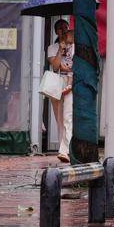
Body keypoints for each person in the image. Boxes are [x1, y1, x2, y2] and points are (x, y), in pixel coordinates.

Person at [42, 18, 72, 162]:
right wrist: (60, 49)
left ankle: (65, 150)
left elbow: (72, 65)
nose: (63, 30)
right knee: (59, 118)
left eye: (65, 27)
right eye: (60, 28)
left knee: (68, 116)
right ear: (56, 31)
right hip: (58, 83)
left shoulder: (73, 45)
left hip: (70, 81)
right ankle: (63, 149)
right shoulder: (52, 48)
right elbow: (55, 66)